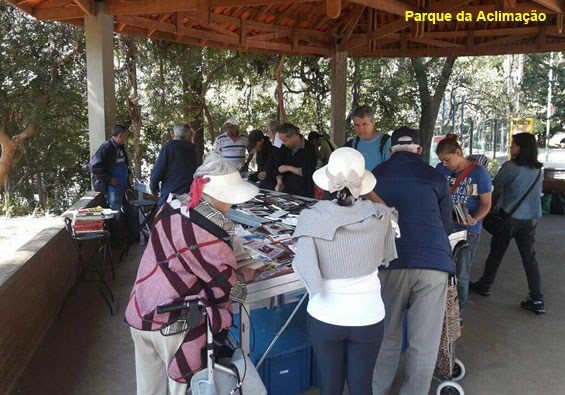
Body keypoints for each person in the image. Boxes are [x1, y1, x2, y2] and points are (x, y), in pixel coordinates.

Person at [125, 152, 259, 395]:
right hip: (172, 323)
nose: (232, 206)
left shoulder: (171, 207)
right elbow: (228, 289)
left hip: (141, 308)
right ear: (221, 196)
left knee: (148, 389)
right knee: (182, 388)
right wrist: (243, 278)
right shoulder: (211, 233)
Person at [292, 147, 398, 395]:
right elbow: (387, 242)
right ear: (362, 184)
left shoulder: (310, 218)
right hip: (368, 315)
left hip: (325, 315)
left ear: (328, 183)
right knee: (362, 387)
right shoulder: (381, 215)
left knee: (330, 386)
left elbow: (304, 265)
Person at [371, 126, 454, 395]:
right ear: (419, 150)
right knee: (423, 341)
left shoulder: (376, 176)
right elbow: (446, 225)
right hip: (434, 265)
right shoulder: (436, 177)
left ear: (391, 150)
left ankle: (378, 388)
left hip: (390, 262)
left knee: (386, 334)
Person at [470, 132, 545, 314]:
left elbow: (496, 184)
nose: (511, 148)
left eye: (513, 144)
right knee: (530, 257)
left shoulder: (511, 166)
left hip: (510, 217)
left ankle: (485, 285)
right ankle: (536, 298)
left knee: (497, 252)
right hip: (530, 220)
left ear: (521, 147)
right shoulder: (538, 170)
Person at [435, 134, 492, 314]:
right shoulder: (440, 170)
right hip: (444, 227)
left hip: (468, 230)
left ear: (458, 153)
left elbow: (486, 203)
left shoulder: (479, 173)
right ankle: (440, 309)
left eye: (447, 160)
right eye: (441, 160)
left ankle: (455, 313)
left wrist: (475, 219)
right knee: (440, 270)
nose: (444, 164)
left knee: (461, 273)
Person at [89, 123, 137, 246]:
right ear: (120, 136)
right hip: (113, 188)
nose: (127, 138)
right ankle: (116, 241)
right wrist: (108, 179)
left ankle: (133, 237)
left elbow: (122, 163)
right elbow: (94, 166)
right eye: (126, 136)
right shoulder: (106, 147)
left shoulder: (120, 147)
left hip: (124, 185)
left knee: (130, 210)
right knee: (115, 214)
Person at [149, 121, 198, 206]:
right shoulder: (193, 152)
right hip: (188, 200)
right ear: (189, 136)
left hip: (169, 199)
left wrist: (154, 189)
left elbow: (157, 173)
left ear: (172, 135)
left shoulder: (168, 148)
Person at [275, 123, 317, 198]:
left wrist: (288, 168)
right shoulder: (284, 147)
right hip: (287, 192)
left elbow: (307, 172)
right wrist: (279, 180)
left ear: (294, 136)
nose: (283, 143)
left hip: (304, 193)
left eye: (285, 140)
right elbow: (279, 165)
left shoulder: (309, 148)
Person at [345, 105, 391, 171]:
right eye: (357, 125)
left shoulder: (386, 142)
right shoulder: (355, 142)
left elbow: (390, 170)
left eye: (365, 124)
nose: (361, 129)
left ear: (373, 123)